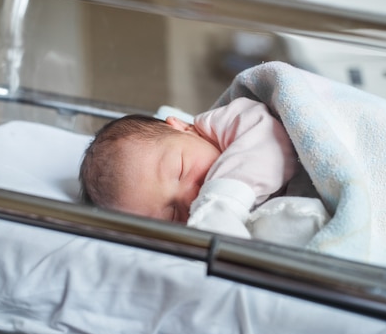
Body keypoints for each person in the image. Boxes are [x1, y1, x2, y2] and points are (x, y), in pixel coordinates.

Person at [79, 97, 328, 238]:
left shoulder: (231, 122)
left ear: (183, 127)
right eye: (173, 215)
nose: (191, 198)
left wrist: (224, 199)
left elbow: (272, 145)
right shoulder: (209, 225)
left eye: (180, 171)